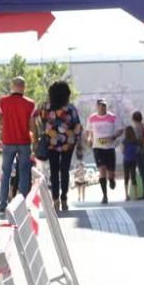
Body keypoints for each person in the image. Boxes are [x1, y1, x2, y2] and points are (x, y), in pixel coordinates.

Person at [38, 81, 84, 211]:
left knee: (54, 171)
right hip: (67, 144)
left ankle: (55, 199)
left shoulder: (45, 108)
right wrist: (75, 137)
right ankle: (64, 197)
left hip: (52, 143)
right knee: (64, 170)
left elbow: (41, 123)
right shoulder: (70, 108)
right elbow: (77, 126)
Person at [0, 76, 36, 213]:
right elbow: (32, 125)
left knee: (6, 173)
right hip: (24, 141)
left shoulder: (3, 102)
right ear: (24, 87)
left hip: (8, 141)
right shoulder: (30, 104)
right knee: (24, 172)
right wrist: (35, 141)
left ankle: (2, 203)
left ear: (12, 86)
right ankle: (22, 202)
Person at [86, 98, 121, 205]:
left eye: (104, 105)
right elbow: (88, 131)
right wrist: (89, 139)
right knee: (102, 170)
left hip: (109, 148)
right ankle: (105, 196)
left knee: (111, 173)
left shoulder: (112, 117)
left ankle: (112, 180)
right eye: (100, 105)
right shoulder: (92, 118)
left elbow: (120, 130)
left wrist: (114, 136)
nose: (102, 107)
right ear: (97, 106)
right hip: (98, 148)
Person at [122, 111, 144, 201]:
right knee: (133, 176)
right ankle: (135, 195)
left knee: (126, 177)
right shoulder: (136, 141)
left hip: (126, 160)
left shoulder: (125, 141)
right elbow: (140, 146)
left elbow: (123, 151)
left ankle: (126, 195)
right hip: (134, 160)